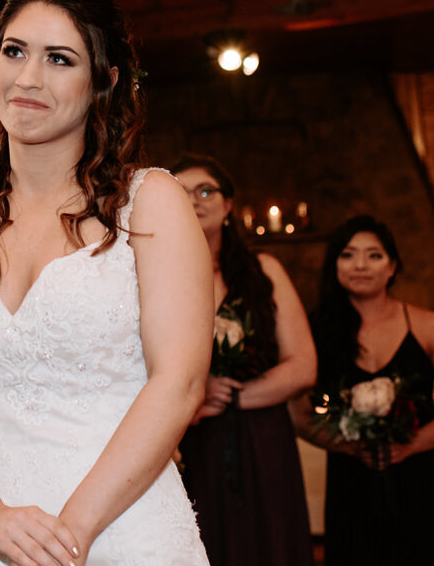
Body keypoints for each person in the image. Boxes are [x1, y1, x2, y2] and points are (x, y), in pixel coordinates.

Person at [0, 0, 214, 566]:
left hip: (124, 528)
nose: (28, 78)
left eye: (60, 59)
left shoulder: (150, 203)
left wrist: (71, 533)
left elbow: (179, 382)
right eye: (14, 51)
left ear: (105, 80)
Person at [293, 216, 434, 566]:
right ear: (335, 265)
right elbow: (298, 415)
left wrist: (408, 446)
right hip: (351, 479)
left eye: (373, 255)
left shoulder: (431, 326)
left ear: (392, 266)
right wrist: (347, 445)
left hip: (419, 478)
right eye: (348, 254)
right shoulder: (315, 331)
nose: (360, 265)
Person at [169, 155, 316, 566]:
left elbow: (303, 364)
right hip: (188, 436)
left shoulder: (263, 270)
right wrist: (195, 399)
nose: (195, 200)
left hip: (261, 436)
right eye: (181, 192)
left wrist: (235, 397)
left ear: (228, 204)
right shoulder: (156, 276)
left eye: (205, 190)